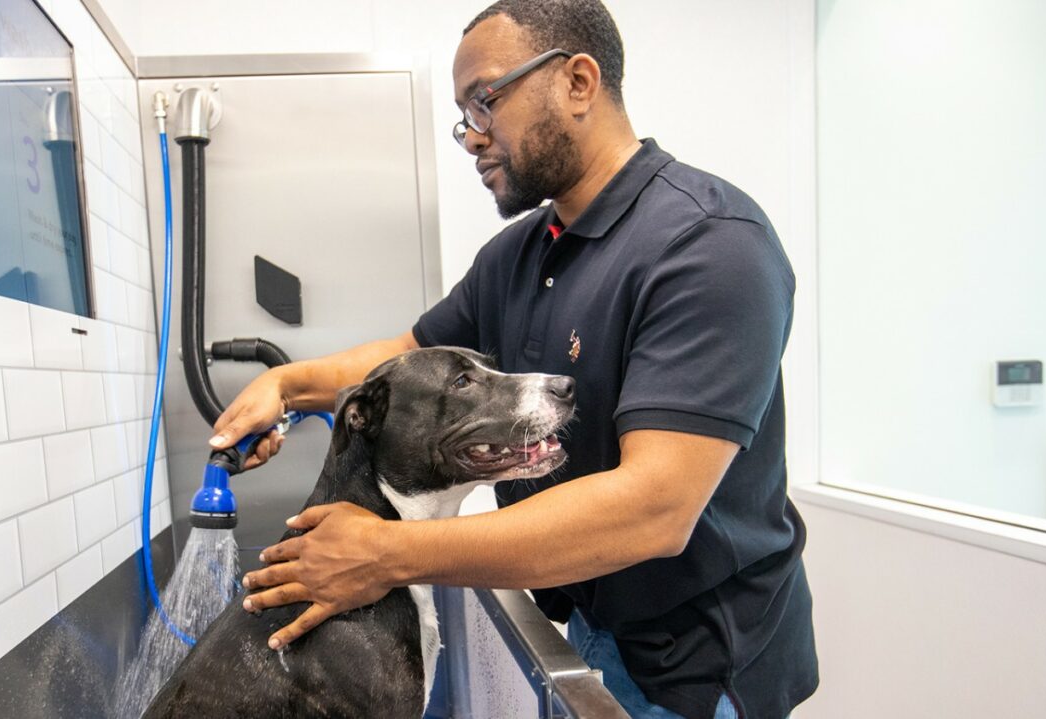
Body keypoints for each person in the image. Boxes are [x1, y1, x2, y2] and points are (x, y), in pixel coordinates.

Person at [208, 1, 818, 717]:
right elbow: (405, 359)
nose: (472, 135)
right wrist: (285, 384)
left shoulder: (709, 244)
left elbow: (654, 508)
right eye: (463, 113)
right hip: (588, 619)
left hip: (701, 664)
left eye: (485, 100)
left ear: (579, 83)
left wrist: (384, 552)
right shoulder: (518, 254)